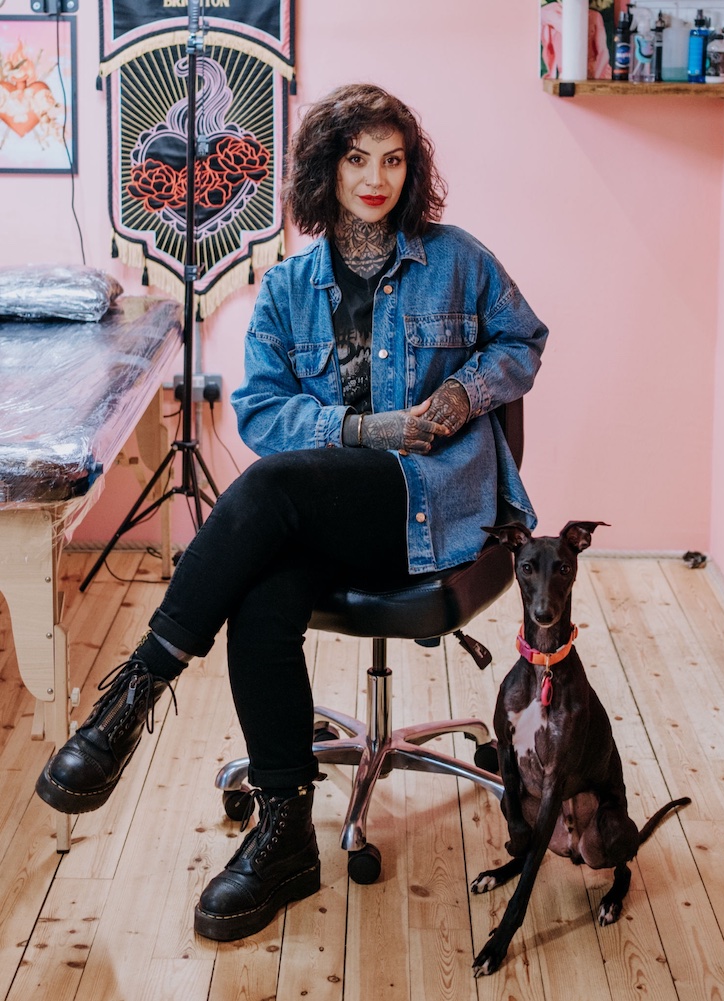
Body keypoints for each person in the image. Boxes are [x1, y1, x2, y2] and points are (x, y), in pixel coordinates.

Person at [35, 83, 548, 941]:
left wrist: (462, 393)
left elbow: (522, 340)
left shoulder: (458, 259)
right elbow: (264, 414)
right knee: (261, 601)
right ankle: (285, 836)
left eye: (393, 159)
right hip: (327, 513)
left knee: (267, 491)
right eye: (357, 158)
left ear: (410, 169)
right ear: (327, 170)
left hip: (428, 508)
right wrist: (362, 426)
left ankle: (134, 693)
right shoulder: (287, 289)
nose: (376, 177)